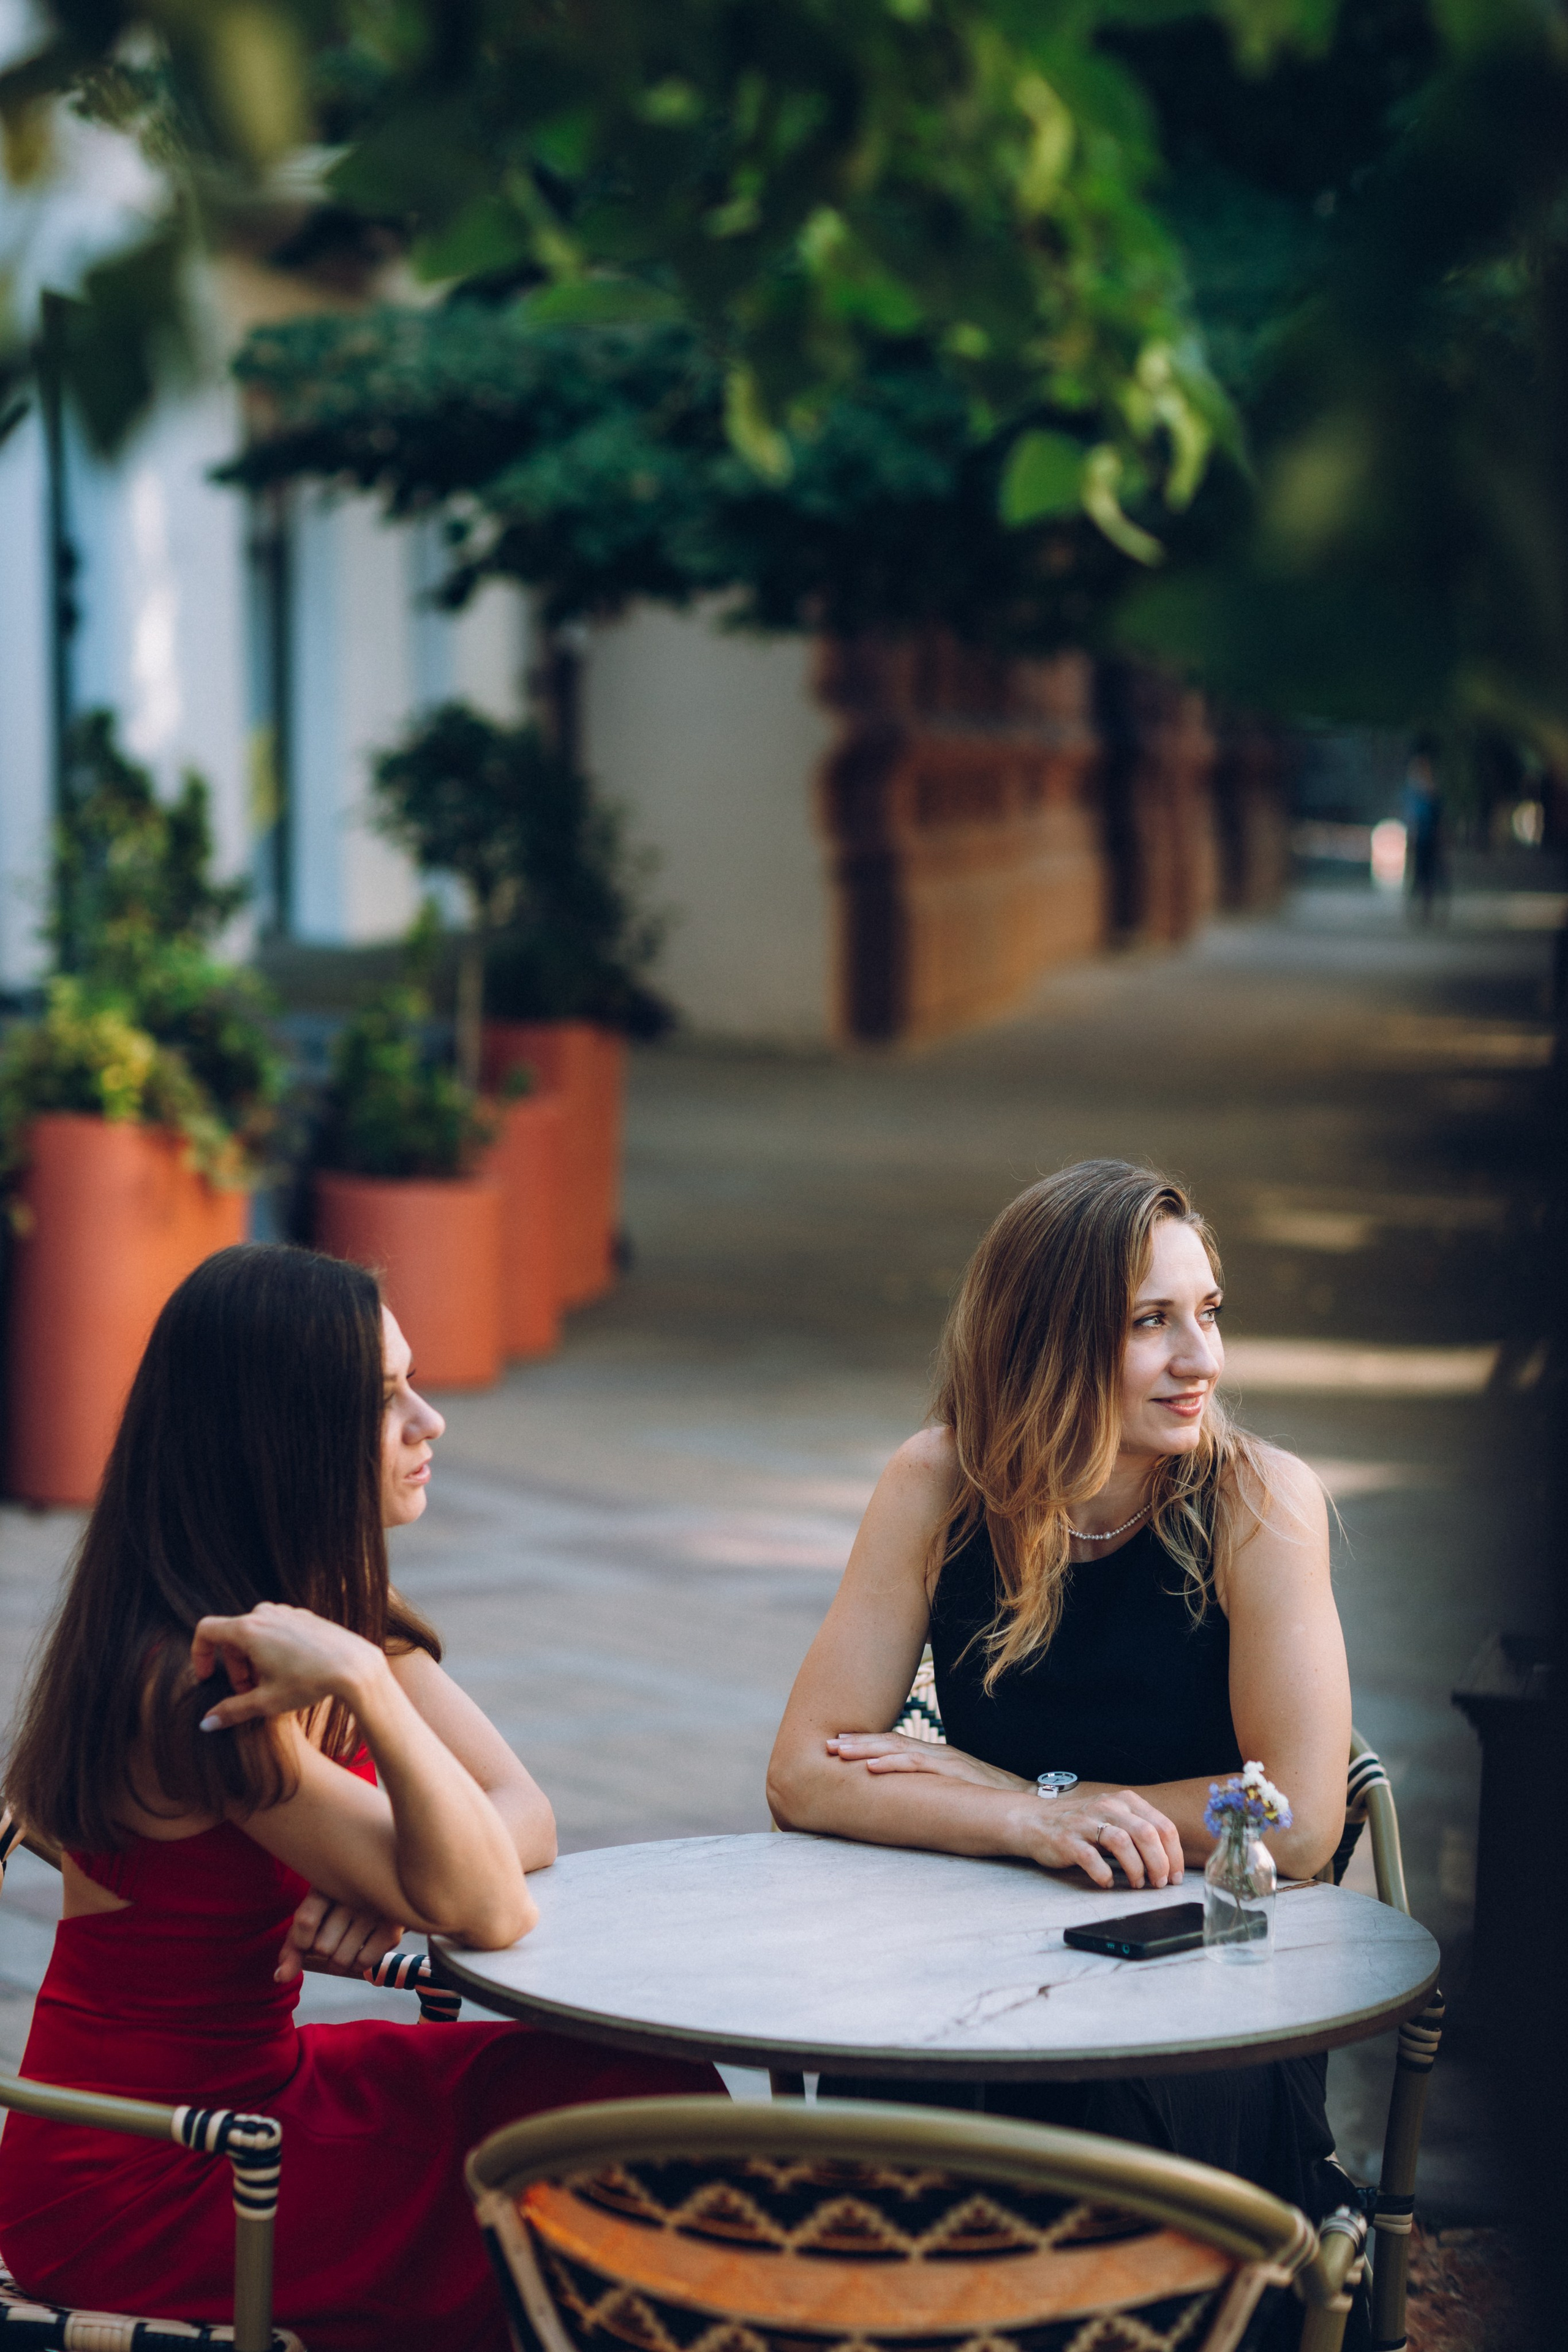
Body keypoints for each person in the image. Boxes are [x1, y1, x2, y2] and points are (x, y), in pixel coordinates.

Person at [0, 1244, 718, 2352]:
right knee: (602, 2165)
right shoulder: (201, 1685)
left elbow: (520, 1810)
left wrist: (399, 1869)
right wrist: (375, 1702)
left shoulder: (324, 1617)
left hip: (259, 2091)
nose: (430, 1423)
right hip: (151, 2169)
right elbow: (491, 1904)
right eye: (386, 1401)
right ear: (282, 1441)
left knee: (638, 2090)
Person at [767, 1159, 1354, 2222]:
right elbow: (805, 1771)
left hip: (1208, 1979)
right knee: (890, 2084)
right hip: (984, 1951)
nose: (1200, 1359)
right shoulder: (939, 1485)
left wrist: (1025, 1797)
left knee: (1098, 2128)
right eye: (1152, 1323)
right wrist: (1029, 1822)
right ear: (1046, 1340)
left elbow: (1299, 1819)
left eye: (1209, 1314)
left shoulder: (1259, 1501)